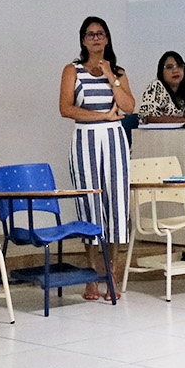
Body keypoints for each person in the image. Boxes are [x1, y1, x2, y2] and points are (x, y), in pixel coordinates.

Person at [59, 15, 135, 301]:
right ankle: (91, 274)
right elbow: (66, 108)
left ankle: (111, 272)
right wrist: (102, 116)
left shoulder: (117, 71)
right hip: (86, 139)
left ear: (107, 38)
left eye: (100, 34)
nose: (96, 38)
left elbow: (128, 106)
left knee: (116, 205)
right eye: (90, 34)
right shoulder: (72, 70)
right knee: (89, 204)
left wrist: (110, 76)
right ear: (83, 40)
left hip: (114, 139)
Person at [137, 50, 185, 124]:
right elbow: (149, 117)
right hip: (158, 131)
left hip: (183, 130)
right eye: (169, 67)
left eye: (179, 66)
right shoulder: (156, 86)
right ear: (161, 71)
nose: (175, 70)